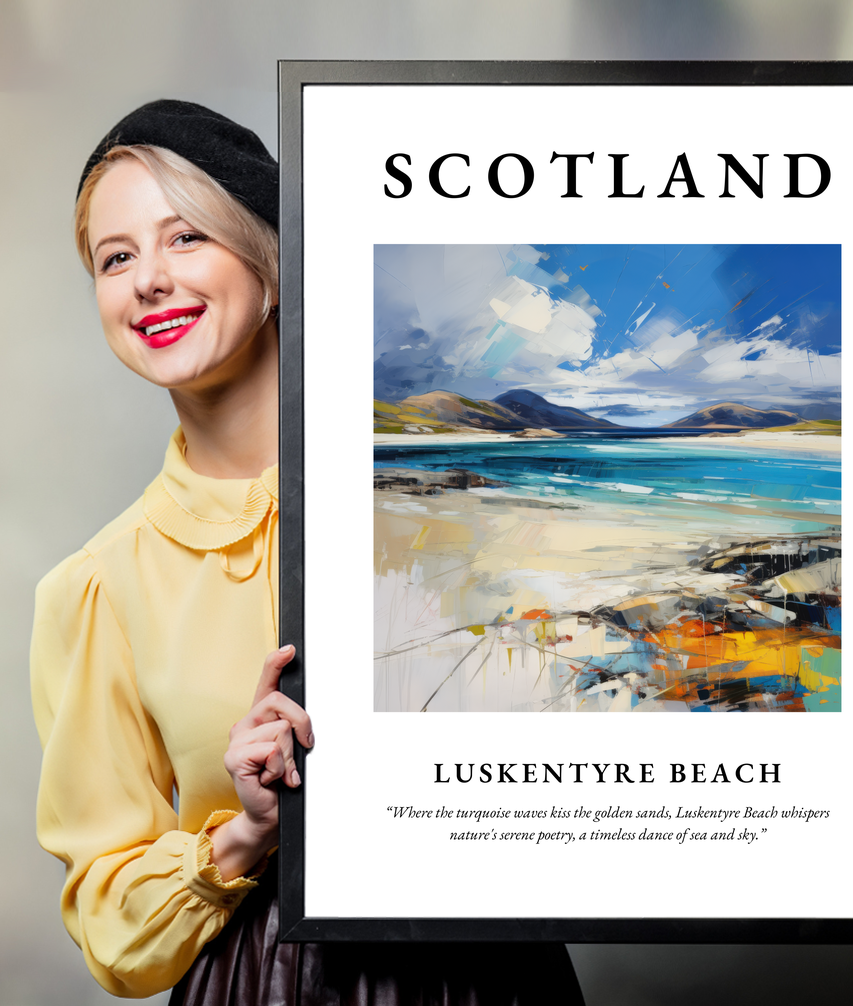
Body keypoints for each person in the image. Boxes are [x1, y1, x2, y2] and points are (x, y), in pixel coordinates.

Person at [30, 100, 585, 1004]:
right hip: (263, 982)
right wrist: (245, 832)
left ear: (273, 264)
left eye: (185, 239)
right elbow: (110, 924)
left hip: (493, 973)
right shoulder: (97, 587)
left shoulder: (455, 503)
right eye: (116, 257)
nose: (148, 281)